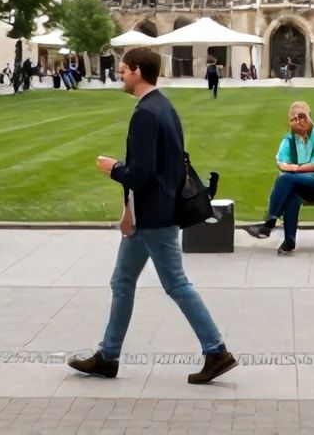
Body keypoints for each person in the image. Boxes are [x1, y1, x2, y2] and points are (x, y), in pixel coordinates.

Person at [68, 46, 237, 385]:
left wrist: (114, 168)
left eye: (124, 69)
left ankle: (216, 350)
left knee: (176, 283)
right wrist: (129, 208)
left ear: (137, 71)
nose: (120, 73)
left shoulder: (146, 113)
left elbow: (143, 174)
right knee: (123, 282)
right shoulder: (164, 107)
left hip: (154, 216)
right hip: (152, 212)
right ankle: (108, 355)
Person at [243, 101, 314, 254]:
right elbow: (281, 162)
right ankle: (289, 241)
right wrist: (292, 169)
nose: (298, 121)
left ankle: (270, 223)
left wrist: (294, 169)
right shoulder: (290, 139)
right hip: (299, 183)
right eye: (294, 118)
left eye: (301, 117)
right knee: (292, 192)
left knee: (286, 179)